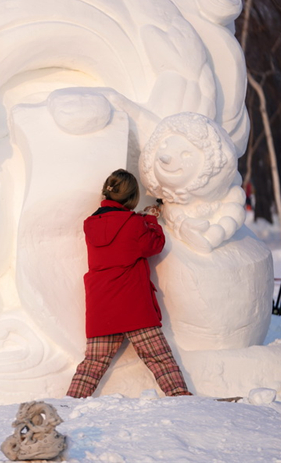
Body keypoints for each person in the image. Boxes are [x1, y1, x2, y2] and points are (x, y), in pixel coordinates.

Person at [66, 169, 192, 398]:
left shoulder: (90, 224)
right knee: (160, 359)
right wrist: (150, 219)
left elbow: (115, 234)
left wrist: (139, 220)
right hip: (133, 306)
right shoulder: (134, 225)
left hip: (101, 305)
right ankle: (181, 398)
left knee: (92, 365)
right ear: (132, 198)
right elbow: (154, 245)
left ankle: (68, 405)